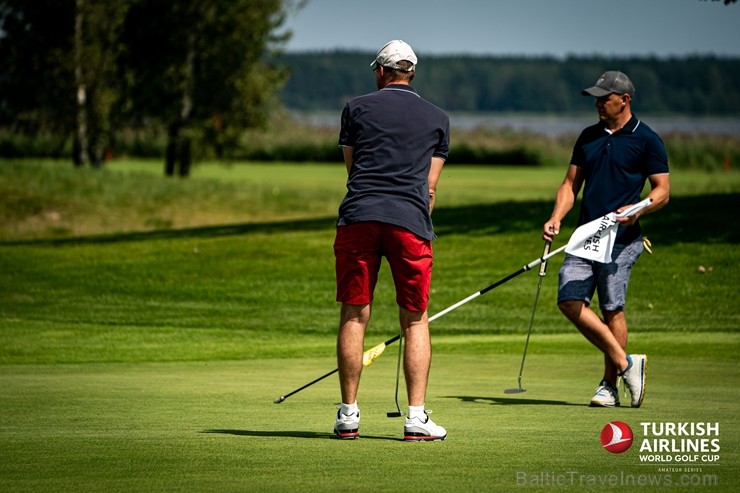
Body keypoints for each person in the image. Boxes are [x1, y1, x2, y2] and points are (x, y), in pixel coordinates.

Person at [333, 40, 450, 440]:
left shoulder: (356, 108)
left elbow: (353, 169)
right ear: (411, 73)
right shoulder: (438, 117)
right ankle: (416, 419)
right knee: (415, 318)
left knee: (355, 312)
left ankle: (348, 414)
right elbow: (430, 188)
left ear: (381, 72)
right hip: (410, 223)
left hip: (359, 217)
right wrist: (416, 216)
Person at [542, 71, 670, 408]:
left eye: (604, 98)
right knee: (569, 300)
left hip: (623, 239)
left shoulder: (648, 140)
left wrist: (639, 211)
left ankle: (609, 386)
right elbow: (570, 186)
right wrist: (557, 217)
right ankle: (627, 362)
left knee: (612, 308)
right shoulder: (588, 137)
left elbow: (662, 192)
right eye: (596, 98)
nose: (598, 103)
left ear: (624, 99)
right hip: (586, 236)